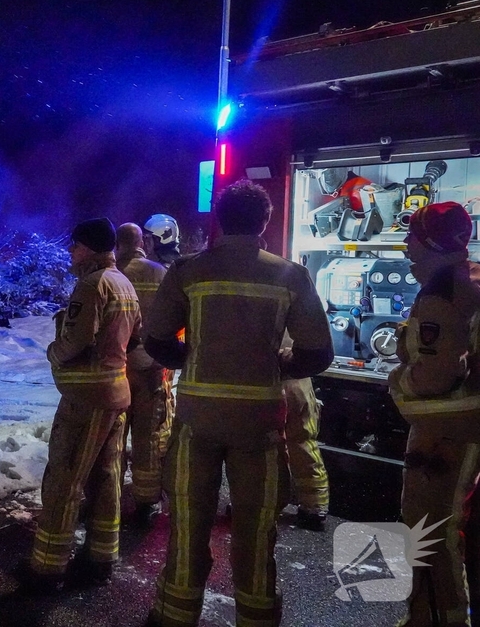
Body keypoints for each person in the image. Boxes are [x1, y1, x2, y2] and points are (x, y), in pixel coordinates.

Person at [142, 180, 333, 627]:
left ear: (220, 220)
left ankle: (173, 617)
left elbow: (157, 340)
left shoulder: (187, 271)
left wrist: (196, 358)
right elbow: (318, 353)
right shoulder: (290, 275)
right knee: (257, 532)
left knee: (188, 526)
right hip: (260, 425)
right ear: (265, 222)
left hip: (197, 421)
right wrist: (278, 362)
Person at [23, 217, 140, 593]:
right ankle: (101, 557)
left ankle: (47, 567)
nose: (70, 251)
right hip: (115, 395)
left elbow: (75, 341)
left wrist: (53, 352)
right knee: (105, 478)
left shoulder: (92, 285)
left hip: (86, 401)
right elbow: (135, 338)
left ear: (88, 248)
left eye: (74, 245)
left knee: (65, 479)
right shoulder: (124, 283)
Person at [389, 201, 480, 627]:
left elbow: (435, 376)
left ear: (430, 244)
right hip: (462, 429)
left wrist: (398, 382)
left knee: (430, 529)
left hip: (448, 432)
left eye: (413, 236)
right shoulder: (468, 279)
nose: (407, 245)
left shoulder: (442, 293)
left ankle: (435, 619)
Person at [115, 222, 173, 527]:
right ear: (143, 243)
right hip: (151, 368)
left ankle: (108, 498)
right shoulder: (159, 273)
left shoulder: (108, 275)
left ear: (118, 244)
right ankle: (147, 500)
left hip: (114, 370)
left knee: (112, 438)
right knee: (147, 435)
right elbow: (172, 320)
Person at [284, 377, 330, 531]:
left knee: (257, 448)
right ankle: (314, 507)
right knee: (303, 445)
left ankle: (255, 501)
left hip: (265, 387)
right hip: (297, 387)